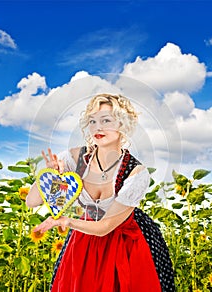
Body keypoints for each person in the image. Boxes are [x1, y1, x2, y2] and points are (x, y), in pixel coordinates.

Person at [26, 93, 175, 292]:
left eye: (106, 120)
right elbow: (32, 201)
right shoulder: (75, 159)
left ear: (122, 124)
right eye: (93, 121)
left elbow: (105, 227)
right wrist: (52, 176)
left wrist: (67, 222)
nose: (98, 127)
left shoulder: (135, 172)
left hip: (124, 244)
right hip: (83, 241)